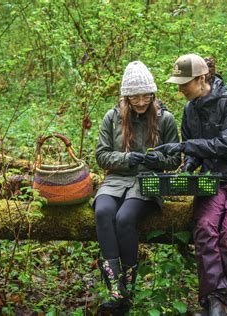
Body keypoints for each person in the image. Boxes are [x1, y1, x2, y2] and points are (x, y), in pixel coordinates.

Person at [155, 54, 227, 315]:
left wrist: (185, 147)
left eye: (185, 83)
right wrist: (186, 166)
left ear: (201, 78)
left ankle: (222, 302)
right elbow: (195, 148)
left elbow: (224, 145)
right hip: (212, 179)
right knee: (205, 227)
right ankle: (213, 301)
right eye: (178, 83)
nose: (180, 88)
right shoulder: (189, 109)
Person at [94, 61, 181, 312]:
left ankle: (128, 291)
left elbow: (175, 158)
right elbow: (101, 155)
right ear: (126, 96)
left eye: (146, 97)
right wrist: (124, 158)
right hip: (116, 179)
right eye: (135, 97)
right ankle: (115, 291)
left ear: (153, 95)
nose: (141, 102)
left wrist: (159, 160)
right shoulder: (112, 117)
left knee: (124, 219)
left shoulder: (165, 119)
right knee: (102, 212)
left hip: (148, 182)